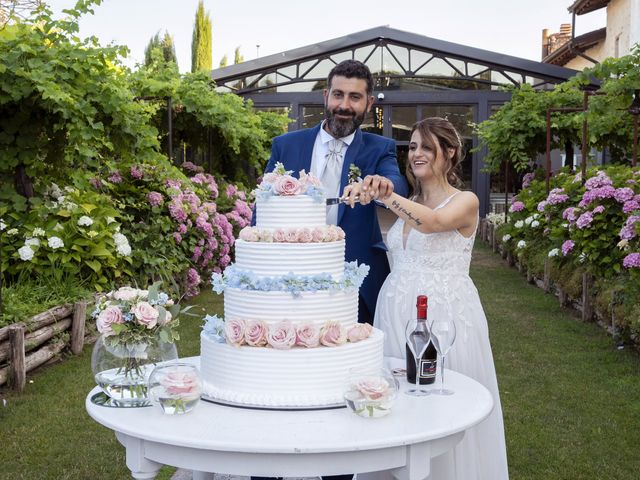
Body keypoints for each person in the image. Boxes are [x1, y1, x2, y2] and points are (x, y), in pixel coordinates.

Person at [343, 117, 509, 480]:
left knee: (444, 408)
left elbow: (432, 222)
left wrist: (387, 196)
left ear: (449, 153)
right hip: (394, 311)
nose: (416, 154)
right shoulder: (410, 202)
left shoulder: (465, 200)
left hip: (443, 316)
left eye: (426, 147)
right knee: (395, 407)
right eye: (413, 146)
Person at [261, 59, 408, 326]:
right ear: (326, 96)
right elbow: (264, 207)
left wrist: (384, 185)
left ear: (369, 103)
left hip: (359, 276)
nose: (344, 106)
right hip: (293, 273)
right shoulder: (285, 146)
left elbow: (397, 183)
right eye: (338, 95)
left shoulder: (380, 147)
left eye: (355, 97)